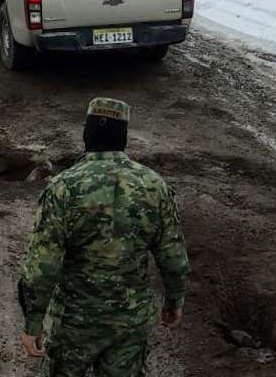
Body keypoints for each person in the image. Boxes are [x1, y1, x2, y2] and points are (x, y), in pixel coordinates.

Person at [18, 98, 190, 376]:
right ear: (123, 137)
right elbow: (173, 256)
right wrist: (174, 302)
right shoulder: (154, 186)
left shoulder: (64, 188)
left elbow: (42, 265)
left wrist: (33, 322)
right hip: (129, 322)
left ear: (87, 134)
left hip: (75, 322)